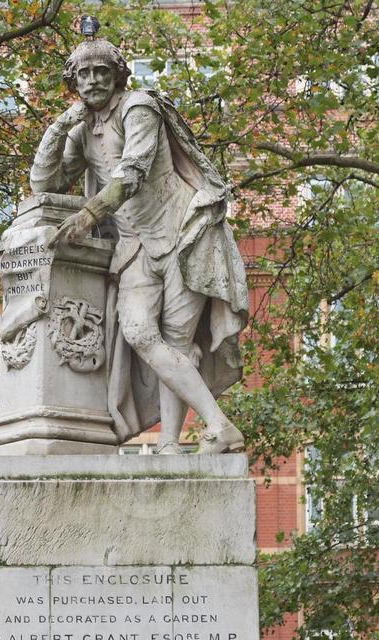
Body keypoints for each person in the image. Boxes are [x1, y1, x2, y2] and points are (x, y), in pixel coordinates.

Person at [29, 33, 249, 454]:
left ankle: (170, 443)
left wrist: (88, 215)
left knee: (177, 341)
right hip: (133, 245)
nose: (93, 81)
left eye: (101, 72)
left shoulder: (139, 107)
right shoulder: (82, 130)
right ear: (73, 82)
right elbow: (45, 182)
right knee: (138, 332)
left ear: (117, 75)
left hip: (183, 235)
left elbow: (131, 173)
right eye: (83, 74)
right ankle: (219, 425)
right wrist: (59, 126)